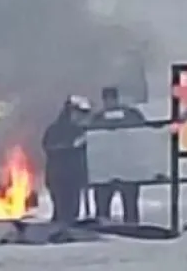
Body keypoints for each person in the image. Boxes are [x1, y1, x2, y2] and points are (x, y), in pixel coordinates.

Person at [88, 86, 145, 224]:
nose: (110, 102)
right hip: (106, 171)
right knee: (103, 208)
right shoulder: (130, 115)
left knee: (129, 206)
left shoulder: (99, 118)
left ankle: (130, 228)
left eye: (111, 99)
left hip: (124, 169)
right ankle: (106, 229)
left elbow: (142, 135)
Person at [42, 95, 90, 225]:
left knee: (72, 212)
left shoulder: (81, 130)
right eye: (78, 114)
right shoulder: (55, 130)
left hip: (74, 178)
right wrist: (72, 146)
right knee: (62, 212)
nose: (80, 118)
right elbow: (50, 147)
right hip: (59, 178)